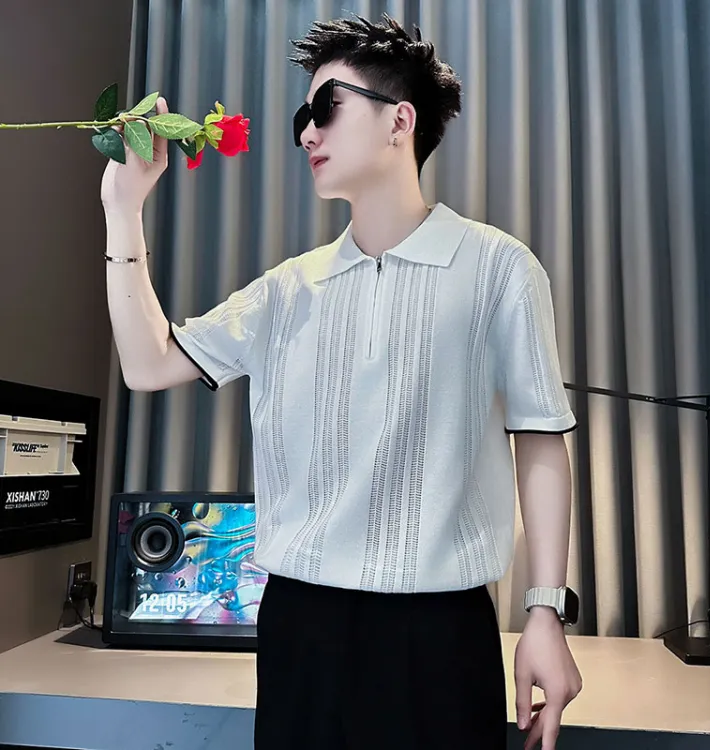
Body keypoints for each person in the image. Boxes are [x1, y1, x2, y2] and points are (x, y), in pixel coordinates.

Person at [101, 12, 582, 750]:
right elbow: (147, 364)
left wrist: (545, 611)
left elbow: (540, 434)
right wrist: (123, 210)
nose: (307, 134)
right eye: (303, 118)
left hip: (440, 634)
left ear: (400, 120)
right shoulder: (287, 290)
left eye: (326, 107)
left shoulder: (498, 268)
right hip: (302, 632)